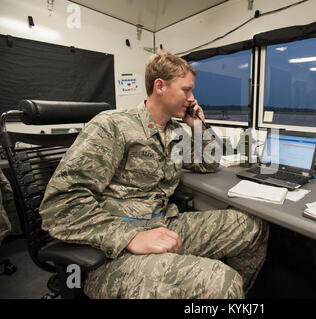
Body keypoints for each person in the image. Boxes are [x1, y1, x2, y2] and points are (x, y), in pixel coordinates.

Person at [39, 51, 269, 299]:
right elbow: (59, 206)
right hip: (112, 251)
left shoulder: (175, 132)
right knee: (223, 282)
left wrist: (198, 127)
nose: (192, 98)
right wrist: (131, 237)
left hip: (163, 225)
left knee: (252, 226)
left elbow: (210, 163)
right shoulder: (113, 125)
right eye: (186, 90)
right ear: (160, 86)